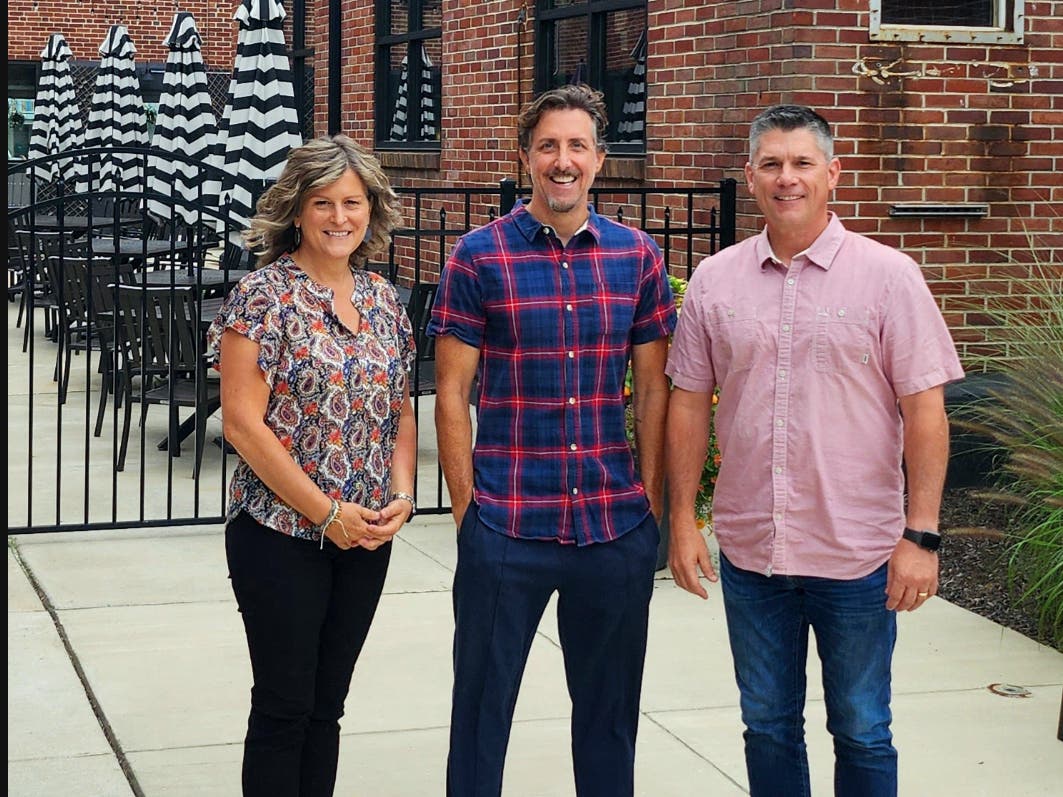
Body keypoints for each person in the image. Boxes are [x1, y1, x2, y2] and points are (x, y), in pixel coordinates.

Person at [665, 104, 965, 796]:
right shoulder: (715, 279)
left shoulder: (889, 277)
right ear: (749, 176)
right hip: (753, 552)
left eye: (802, 162)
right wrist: (681, 519)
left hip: (857, 555)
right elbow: (687, 401)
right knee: (767, 724)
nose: (786, 178)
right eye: (771, 163)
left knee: (862, 728)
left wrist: (921, 534)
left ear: (833, 174)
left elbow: (925, 411)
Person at [428, 84, 676, 797]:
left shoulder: (637, 255)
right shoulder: (478, 256)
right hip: (506, 521)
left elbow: (653, 390)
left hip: (612, 523)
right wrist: (467, 513)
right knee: (480, 715)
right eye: (547, 146)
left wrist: (652, 507)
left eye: (576, 146)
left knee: (609, 720)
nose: (561, 161)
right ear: (525, 156)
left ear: (598, 159)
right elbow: (450, 394)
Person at [206, 134, 417, 797]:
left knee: (328, 707)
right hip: (280, 536)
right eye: (323, 202)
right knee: (284, 706)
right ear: (297, 209)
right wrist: (325, 513)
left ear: (371, 210)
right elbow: (242, 423)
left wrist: (403, 494)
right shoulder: (263, 295)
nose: (338, 217)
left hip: (365, 538)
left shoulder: (384, 299)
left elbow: (399, 409)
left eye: (351, 202)